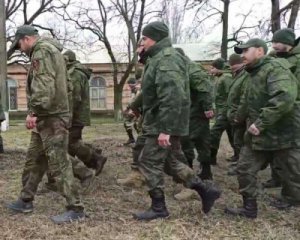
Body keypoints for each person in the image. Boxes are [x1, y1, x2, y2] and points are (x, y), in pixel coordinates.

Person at [133, 21, 221, 221]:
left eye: (144, 38)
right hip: (160, 121)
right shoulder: (158, 58)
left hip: (161, 124)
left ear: (155, 38)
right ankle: (205, 190)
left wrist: (166, 129)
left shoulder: (166, 59)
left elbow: (173, 96)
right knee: (171, 161)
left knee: (147, 162)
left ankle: (159, 207)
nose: (142, 43)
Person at [6, 25, 85, 224]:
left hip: (51, 117)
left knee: (59, 162)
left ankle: (75, 208)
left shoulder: (42, 52)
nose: (21, 49)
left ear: (26, 39)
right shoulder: (51, 51)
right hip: (48, 116)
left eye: (20, 45)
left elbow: (44, 86)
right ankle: (26, 199)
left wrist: (33, 111)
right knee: (34, 159)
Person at [225, 38, 300, 218]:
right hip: (260, 134)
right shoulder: (252, 73)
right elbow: (247, 99)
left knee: (292, 170)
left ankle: (293, 200)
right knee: (244, 168)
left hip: (282, 132)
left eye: (245, 51)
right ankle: (249, 208)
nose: (242, 55)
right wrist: (238, 117)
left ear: (259, 51)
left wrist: (260, 123)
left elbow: (284, 97)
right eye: (241, 52)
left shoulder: (274, 69)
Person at [63, 50, 107, 176]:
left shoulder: (75, 74)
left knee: (71, 143)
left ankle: (96, 159)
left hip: (75, 116)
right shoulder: (75, 72)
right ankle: (92, 158)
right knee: (72, 142)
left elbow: (74, 98)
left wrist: (67, 117)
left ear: (67, 61)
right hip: (76, 115)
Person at [226, 53, 249, 176]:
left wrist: (239, 116)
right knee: (237, 141)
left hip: (240, 116)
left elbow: (244, 99)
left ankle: (242, 167)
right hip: (234, 114)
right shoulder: (237, 75)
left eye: (233, 65)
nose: (231, 68)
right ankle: (240, 161)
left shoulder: (245, 76)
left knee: (240, 142)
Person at [209, 58, 235, 165]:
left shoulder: (226, 78)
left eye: (213, 68)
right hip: (222, 111)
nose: (211, 70)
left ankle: (211, 158)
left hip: (226, 111)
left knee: (214, 132)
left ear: (218, 68)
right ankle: (238, 156)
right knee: (231, 134)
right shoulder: (219, 78)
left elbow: (232, 95)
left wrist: (225, 111)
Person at [122, 77, 141, 145]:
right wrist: (128, 109)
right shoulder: (133, 90)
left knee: (137, 125)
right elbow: (132, 101)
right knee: (127, 122)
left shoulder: (138, 90)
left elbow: (136, 101)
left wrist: (129, 110)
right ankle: (132, 139)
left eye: (131, 85)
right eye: (129, 86)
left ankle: (141, 140)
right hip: (135, 110)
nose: (130, 87)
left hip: (140, 111)